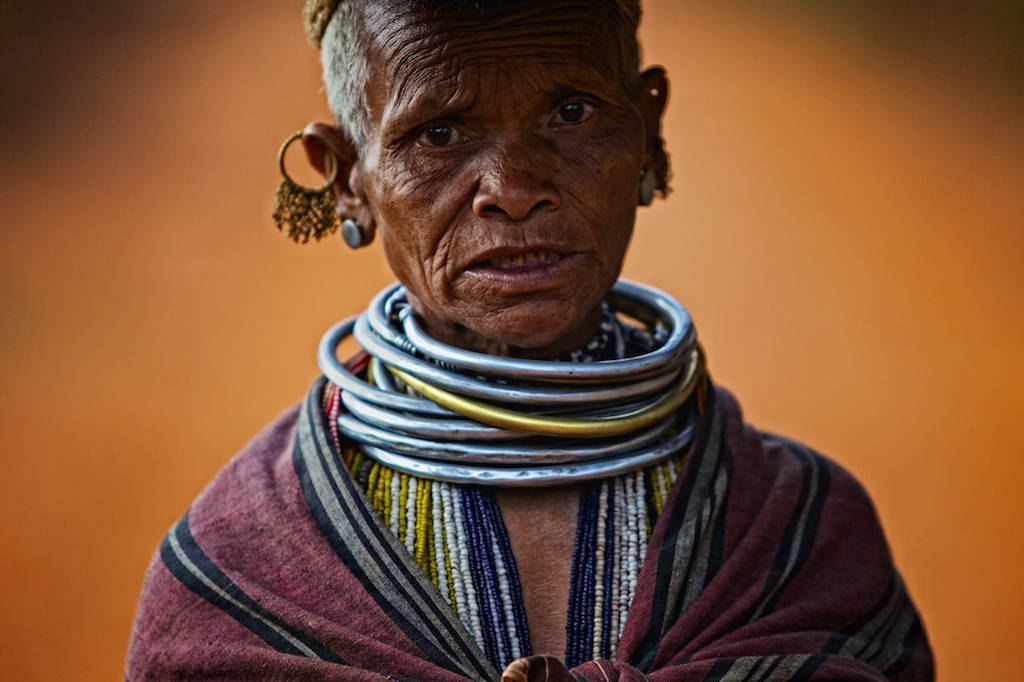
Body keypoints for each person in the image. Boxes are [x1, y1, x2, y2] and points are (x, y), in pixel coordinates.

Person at [126, 1, 934, 680]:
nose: (512, 191)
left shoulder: (805, 537)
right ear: (346, 179)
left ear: (647, 132)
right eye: (438, 134)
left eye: (571, 113)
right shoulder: (239, 574)